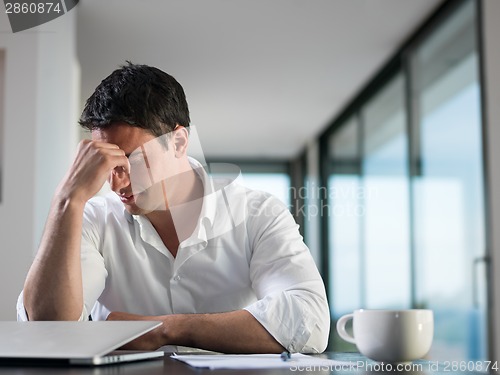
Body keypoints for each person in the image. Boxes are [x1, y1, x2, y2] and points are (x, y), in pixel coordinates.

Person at [17, 62, 330, 353]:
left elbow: (309, 321)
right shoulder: (92, 217)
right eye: (107, 163)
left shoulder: (257, 213)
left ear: (179, 142)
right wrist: (66, 198)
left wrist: (165, 329)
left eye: (131, 160)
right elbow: (49, 331)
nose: (116, 184)